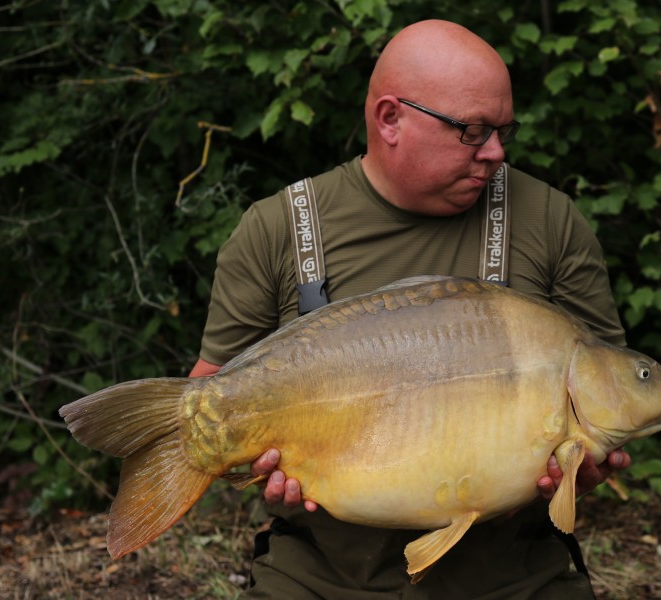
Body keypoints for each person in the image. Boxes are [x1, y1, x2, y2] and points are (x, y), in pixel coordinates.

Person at [190, 19, 631, 599]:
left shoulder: (548, 221)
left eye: (503, 130)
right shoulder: (277, 228)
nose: (495, 152)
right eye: (472, 131)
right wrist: (249, 470)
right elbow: (209, 391)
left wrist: (582, 473)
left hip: (513, 579)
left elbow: (609, 392)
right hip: (321, 578)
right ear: (390, 119)